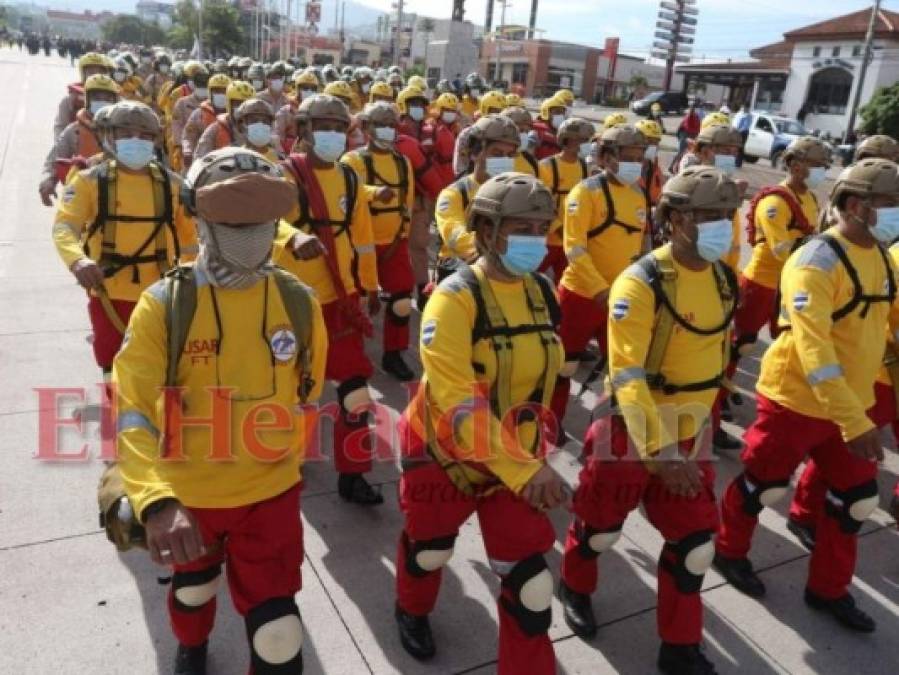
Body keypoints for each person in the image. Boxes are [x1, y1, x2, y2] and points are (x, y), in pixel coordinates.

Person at [114, 146, 327, 675]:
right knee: (193, 593)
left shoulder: (299, 302)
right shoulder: (165, 306)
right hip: (189, 497)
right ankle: (192, 644)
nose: (249, 233)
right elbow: (132, 409)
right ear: (200, 216)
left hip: (271, 495)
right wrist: (155, 500)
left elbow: (307, 393)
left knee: (279, 632)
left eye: (261, 220)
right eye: (233, 219)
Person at [560, 166, 741, 675]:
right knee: (600, 531)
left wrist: (697, 433)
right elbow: (629, 377)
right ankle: (575, 585)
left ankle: (679, 645)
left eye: (727, 216)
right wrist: (661, 453)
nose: (723, 226)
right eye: (709, 216)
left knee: (695, 546)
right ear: (677, 218)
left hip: (688, 431)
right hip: (629, 433)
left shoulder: (725, 279)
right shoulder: (640, 283)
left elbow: (712, 363)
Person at [714, 158, 899, 634]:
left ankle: (828, 589)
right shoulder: (814, 260)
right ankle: (728, 551)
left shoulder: (880, 255)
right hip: (795, 400)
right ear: (857, 206)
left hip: (850, 404)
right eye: (891, 204)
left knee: (854, 500)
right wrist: (854, 421)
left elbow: (881, 329)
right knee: (762, 485)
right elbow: (814, 348)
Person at [394, 172, 566, 674]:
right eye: (521, 226)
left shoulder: (541, 290)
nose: (535, 237)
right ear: (486, 230)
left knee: (531, 586)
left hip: (514, 459)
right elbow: (456, 400)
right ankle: (412, 607)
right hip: (444, 455)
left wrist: (534, 454)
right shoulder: (454, 298)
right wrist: (525, 468)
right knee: (429, 551)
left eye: (541, 226)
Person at [272, 94, 384, 506]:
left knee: (355, 390)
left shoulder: (351, 179)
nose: (333, 135)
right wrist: (292, 236)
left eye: (340, 128)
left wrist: (370, 287)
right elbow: (265, 220)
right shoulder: (284, 175)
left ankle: (353, 475)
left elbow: (364, 240)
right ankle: (290, 458)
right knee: (293, 390)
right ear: (303, 130)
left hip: (341, 299)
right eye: (324, 126)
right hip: (290, 299)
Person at [51, 101, 194, 381]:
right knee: (112, 363)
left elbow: (192, 240)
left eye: (144, 135)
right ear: (110, 137)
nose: (136, 140)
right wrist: (77, 260)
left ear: (155, 140)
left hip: (161, 293)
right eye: (126, 133)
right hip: (108, 294)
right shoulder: (88, 181)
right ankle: (119, 416)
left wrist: (189, 278)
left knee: (162, 365)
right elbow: (65, 227)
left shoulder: (174, 185)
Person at [550, 125, 649, 437]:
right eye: (627, 158)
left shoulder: (638, 195)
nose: (635, 165)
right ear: (606, 157)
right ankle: (550, 423)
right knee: (563, 366)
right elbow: (574, 248)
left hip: (621, 300)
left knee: (622, 370)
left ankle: (607, 432)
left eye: (639, 158)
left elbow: (642, 246)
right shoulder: (586, 192)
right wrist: (600, 289)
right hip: (581, 294)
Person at [728, 136, 830, 385]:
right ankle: (720, 396)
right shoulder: (775, 202)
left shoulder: (811, 199)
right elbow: (781, 249)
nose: (822, 171)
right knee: (742, 344)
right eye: (817, 164)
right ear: (796, 166)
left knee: (788, 342)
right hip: (761, 284)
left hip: (790, 284)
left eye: (824, 165)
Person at [342, 103, 418, 381]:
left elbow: (407, 201)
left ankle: (394, 353)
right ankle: (354, 352)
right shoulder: (353, 161)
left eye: (391, 123)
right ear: (366, 127)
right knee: (358, 301)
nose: (386, 128)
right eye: (380, 123)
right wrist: (374, 193)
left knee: (401, 300)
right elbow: (345, 190)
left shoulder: (403, 161)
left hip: (395, 243)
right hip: (360, 244)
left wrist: (403, 235)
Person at [434, 115, 521, 282]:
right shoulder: (454, 194)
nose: (505, 160)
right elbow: (455, 237)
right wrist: (496, 251)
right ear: (475, 153)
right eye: (497, 153)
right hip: (458, 269)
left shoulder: (515, 193)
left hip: (504, 268)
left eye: (510, 155)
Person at [40, 74, 120, 207]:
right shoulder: (74, 130)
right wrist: (48, 180)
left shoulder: (124, 130)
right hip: (81, 195)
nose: (102, 101)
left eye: (108, 98)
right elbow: (55, 157)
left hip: (117, 197)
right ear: (87, 100)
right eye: (96, 98)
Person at [537, 117, 593, 281]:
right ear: (567, 140)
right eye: (582, 140)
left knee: (565, 283)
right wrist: (561, 230)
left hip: (572, 242)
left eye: (587, 140)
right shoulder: (546, 167)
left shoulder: (585, 167)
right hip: (547, 241)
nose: (586, 144)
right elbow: (541, 204)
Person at [54, 52, 111, 141]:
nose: (95, 75)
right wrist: (61, 143)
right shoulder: (69, 100)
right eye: (90, 72)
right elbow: (60, 127)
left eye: (100, 71)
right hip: (76, 145)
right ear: (83, 73)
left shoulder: (115, 98)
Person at [194, 80, 257, 159]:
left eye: (247, 104)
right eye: (238, 103)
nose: (242, 108)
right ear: (229, 103)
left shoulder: (258, 128)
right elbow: (200, 156)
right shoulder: (215, 128)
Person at [181, 72, 232, 170]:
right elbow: (188, 136)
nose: (221, 95)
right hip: (203, 161)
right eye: (217, 91)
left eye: (224, 91)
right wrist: (187, 151)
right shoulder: (199, 114)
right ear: (210, 92)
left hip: (229, 162)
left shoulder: (234, 116)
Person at [170, 62, 210, 172]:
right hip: (188, 150)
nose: (202, 88)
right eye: (200, 85)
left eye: (205, 86)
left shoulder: (212, 105)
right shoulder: (182, 102)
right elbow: (176, 125)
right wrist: (181, 146)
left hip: (209, 151)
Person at [423, 92, 462, 188]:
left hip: (453, 175)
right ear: (439, 110)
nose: (450, 113)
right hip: (436, 174)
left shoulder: (457, 128)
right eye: (447, 110)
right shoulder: (430, 127)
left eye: (453, 110)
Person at [501, 106, 540, 177]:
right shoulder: (492, 157)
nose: (524, 135)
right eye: (521, 130)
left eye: (527, 131)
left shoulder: (530, 160)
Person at [532, 94, 566, 160]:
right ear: (546, 112)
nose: (561, 115)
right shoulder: (535, 130)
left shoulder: (563, 132)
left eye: (562, 113)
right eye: (557, 112)